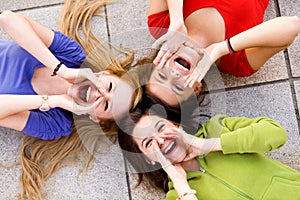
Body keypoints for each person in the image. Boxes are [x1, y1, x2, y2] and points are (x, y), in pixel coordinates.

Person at [0, 0, 141, 199]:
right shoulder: (71, 55)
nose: (101, 95)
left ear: (96, 118)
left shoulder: (56, 124)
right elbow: (7, 19)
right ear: (103, 73)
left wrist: (55, 101)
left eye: (107, 104)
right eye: (110, 87)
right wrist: (62, 70)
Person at [118, 108, 300, 200]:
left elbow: (276, 134)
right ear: (149, 161)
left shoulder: (216, 128)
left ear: (176, 124)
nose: (160, 140)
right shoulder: (177, 195)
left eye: (160, 128)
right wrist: (182, 186)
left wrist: (209, 144)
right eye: (148, 143)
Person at [145, 0, 300, 106]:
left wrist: (177, 18)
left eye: (162, 76)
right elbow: (292, 26)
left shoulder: (161, 24)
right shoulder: (236, 62)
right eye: (178, 88)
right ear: (196, 89)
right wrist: (222, 48)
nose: (174, 75)